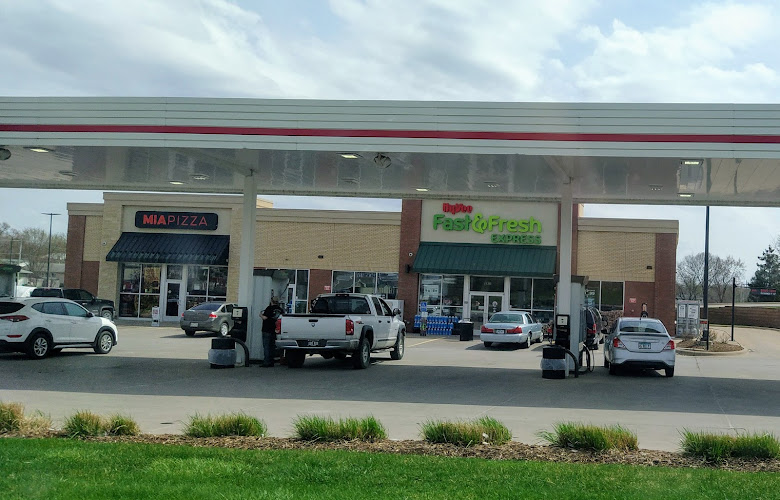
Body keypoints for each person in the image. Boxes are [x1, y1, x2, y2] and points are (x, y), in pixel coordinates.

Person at [260, 298, 284, 367]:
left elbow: (265, 318)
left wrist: (260, 315)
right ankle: (272, 361)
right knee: (272, 346)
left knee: (266, 346)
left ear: (271, 301)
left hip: (267, 330)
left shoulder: (269, 308)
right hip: (275, 330)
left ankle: (266, 362)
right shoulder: (280, 310)